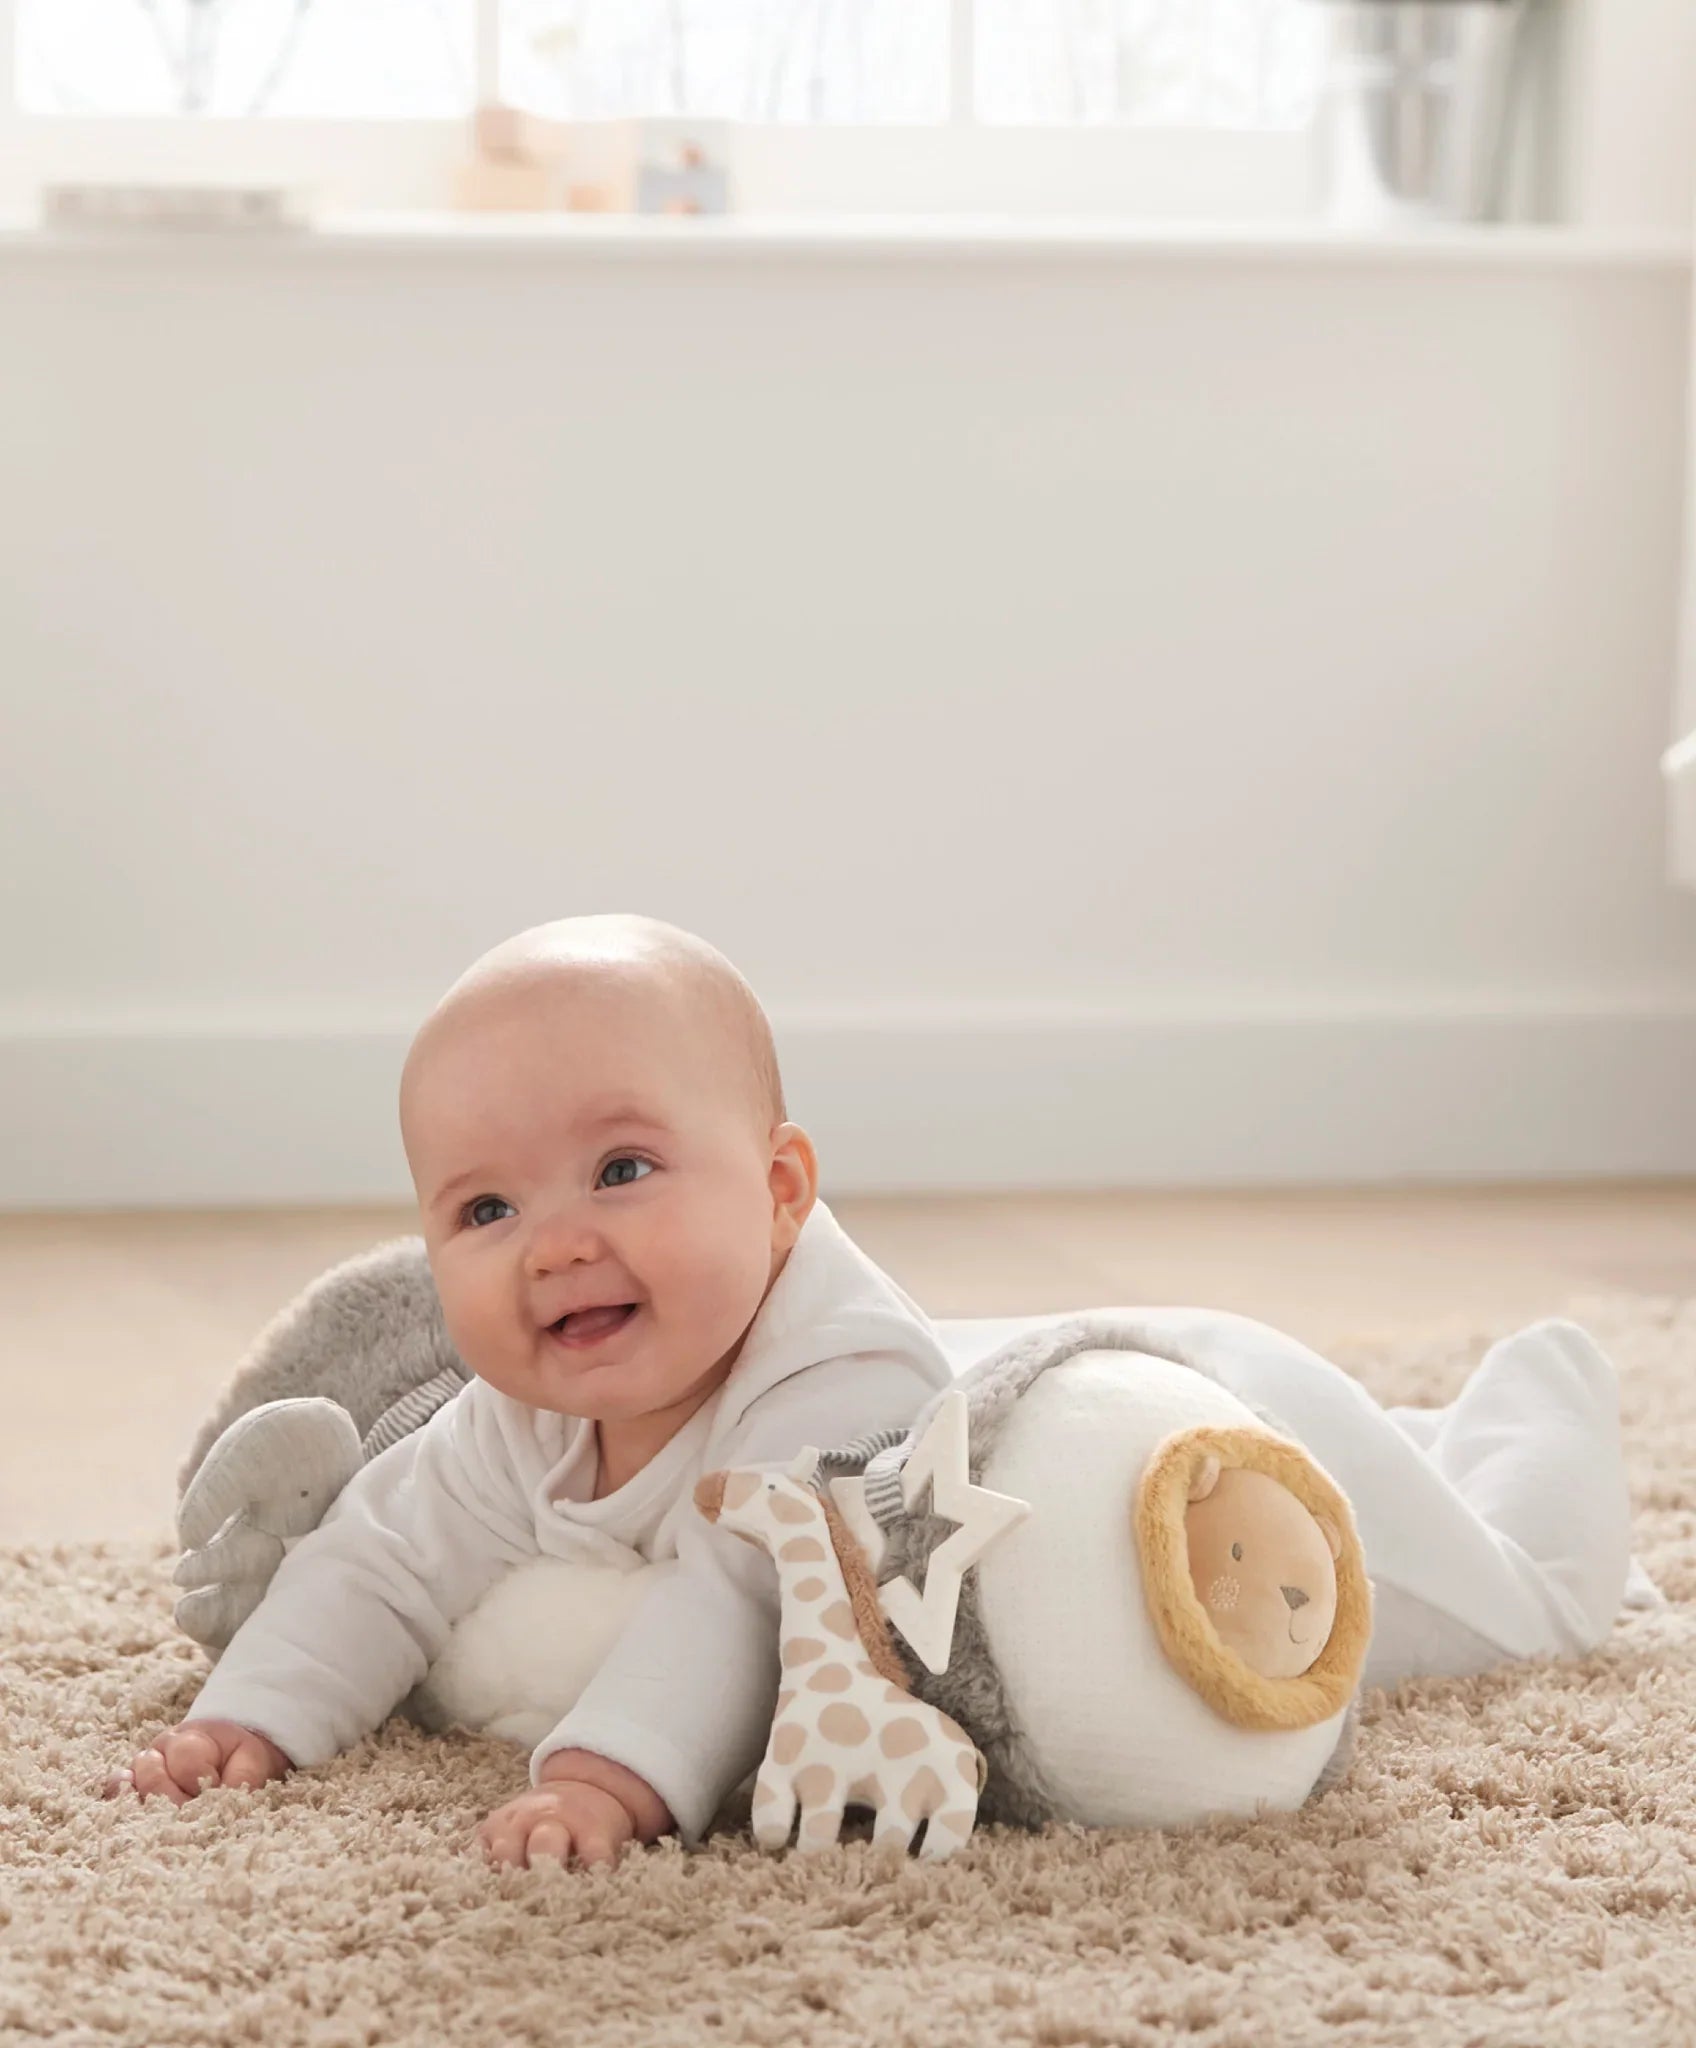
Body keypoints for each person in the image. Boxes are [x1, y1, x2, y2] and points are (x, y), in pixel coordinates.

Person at [103, 913, 955, 1869]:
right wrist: (248, 1716)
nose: (554, 1247)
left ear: (779, 1190)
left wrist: (602, 1778)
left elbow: (752, 1598)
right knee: (379, 1492)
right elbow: (382, 1557)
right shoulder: (528, 1405)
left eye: (620, 1171)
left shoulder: (843, 1380)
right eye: (489, 1209)